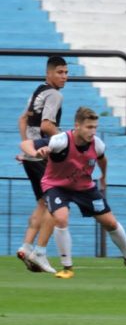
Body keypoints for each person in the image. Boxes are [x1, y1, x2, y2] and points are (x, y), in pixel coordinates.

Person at [20, 107, 126, 279]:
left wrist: (103, 176)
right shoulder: (60, 141)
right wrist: (36, 152)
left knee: (110, 223)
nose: (93, 131)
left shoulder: (97, 144)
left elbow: (103, 159)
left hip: (84, 187)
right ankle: (67, 267)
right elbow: (25, 144)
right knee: (61, 217)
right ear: (77, 126)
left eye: (95, 127)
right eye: (89, 127)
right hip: (56, 185)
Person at [16, 56, 67, 273]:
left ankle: (26, 247)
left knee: (42, 203)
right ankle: (40, 252)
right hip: (42, 156)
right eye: (60, 72)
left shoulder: (37, 91)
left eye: (66, 72)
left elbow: (22, 120)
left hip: (30, 157)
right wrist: (66, 140)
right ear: (49, 73)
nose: (64, 77)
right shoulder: (55, 95)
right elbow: (47, 126)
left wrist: (26, 147)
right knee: (56, 203)